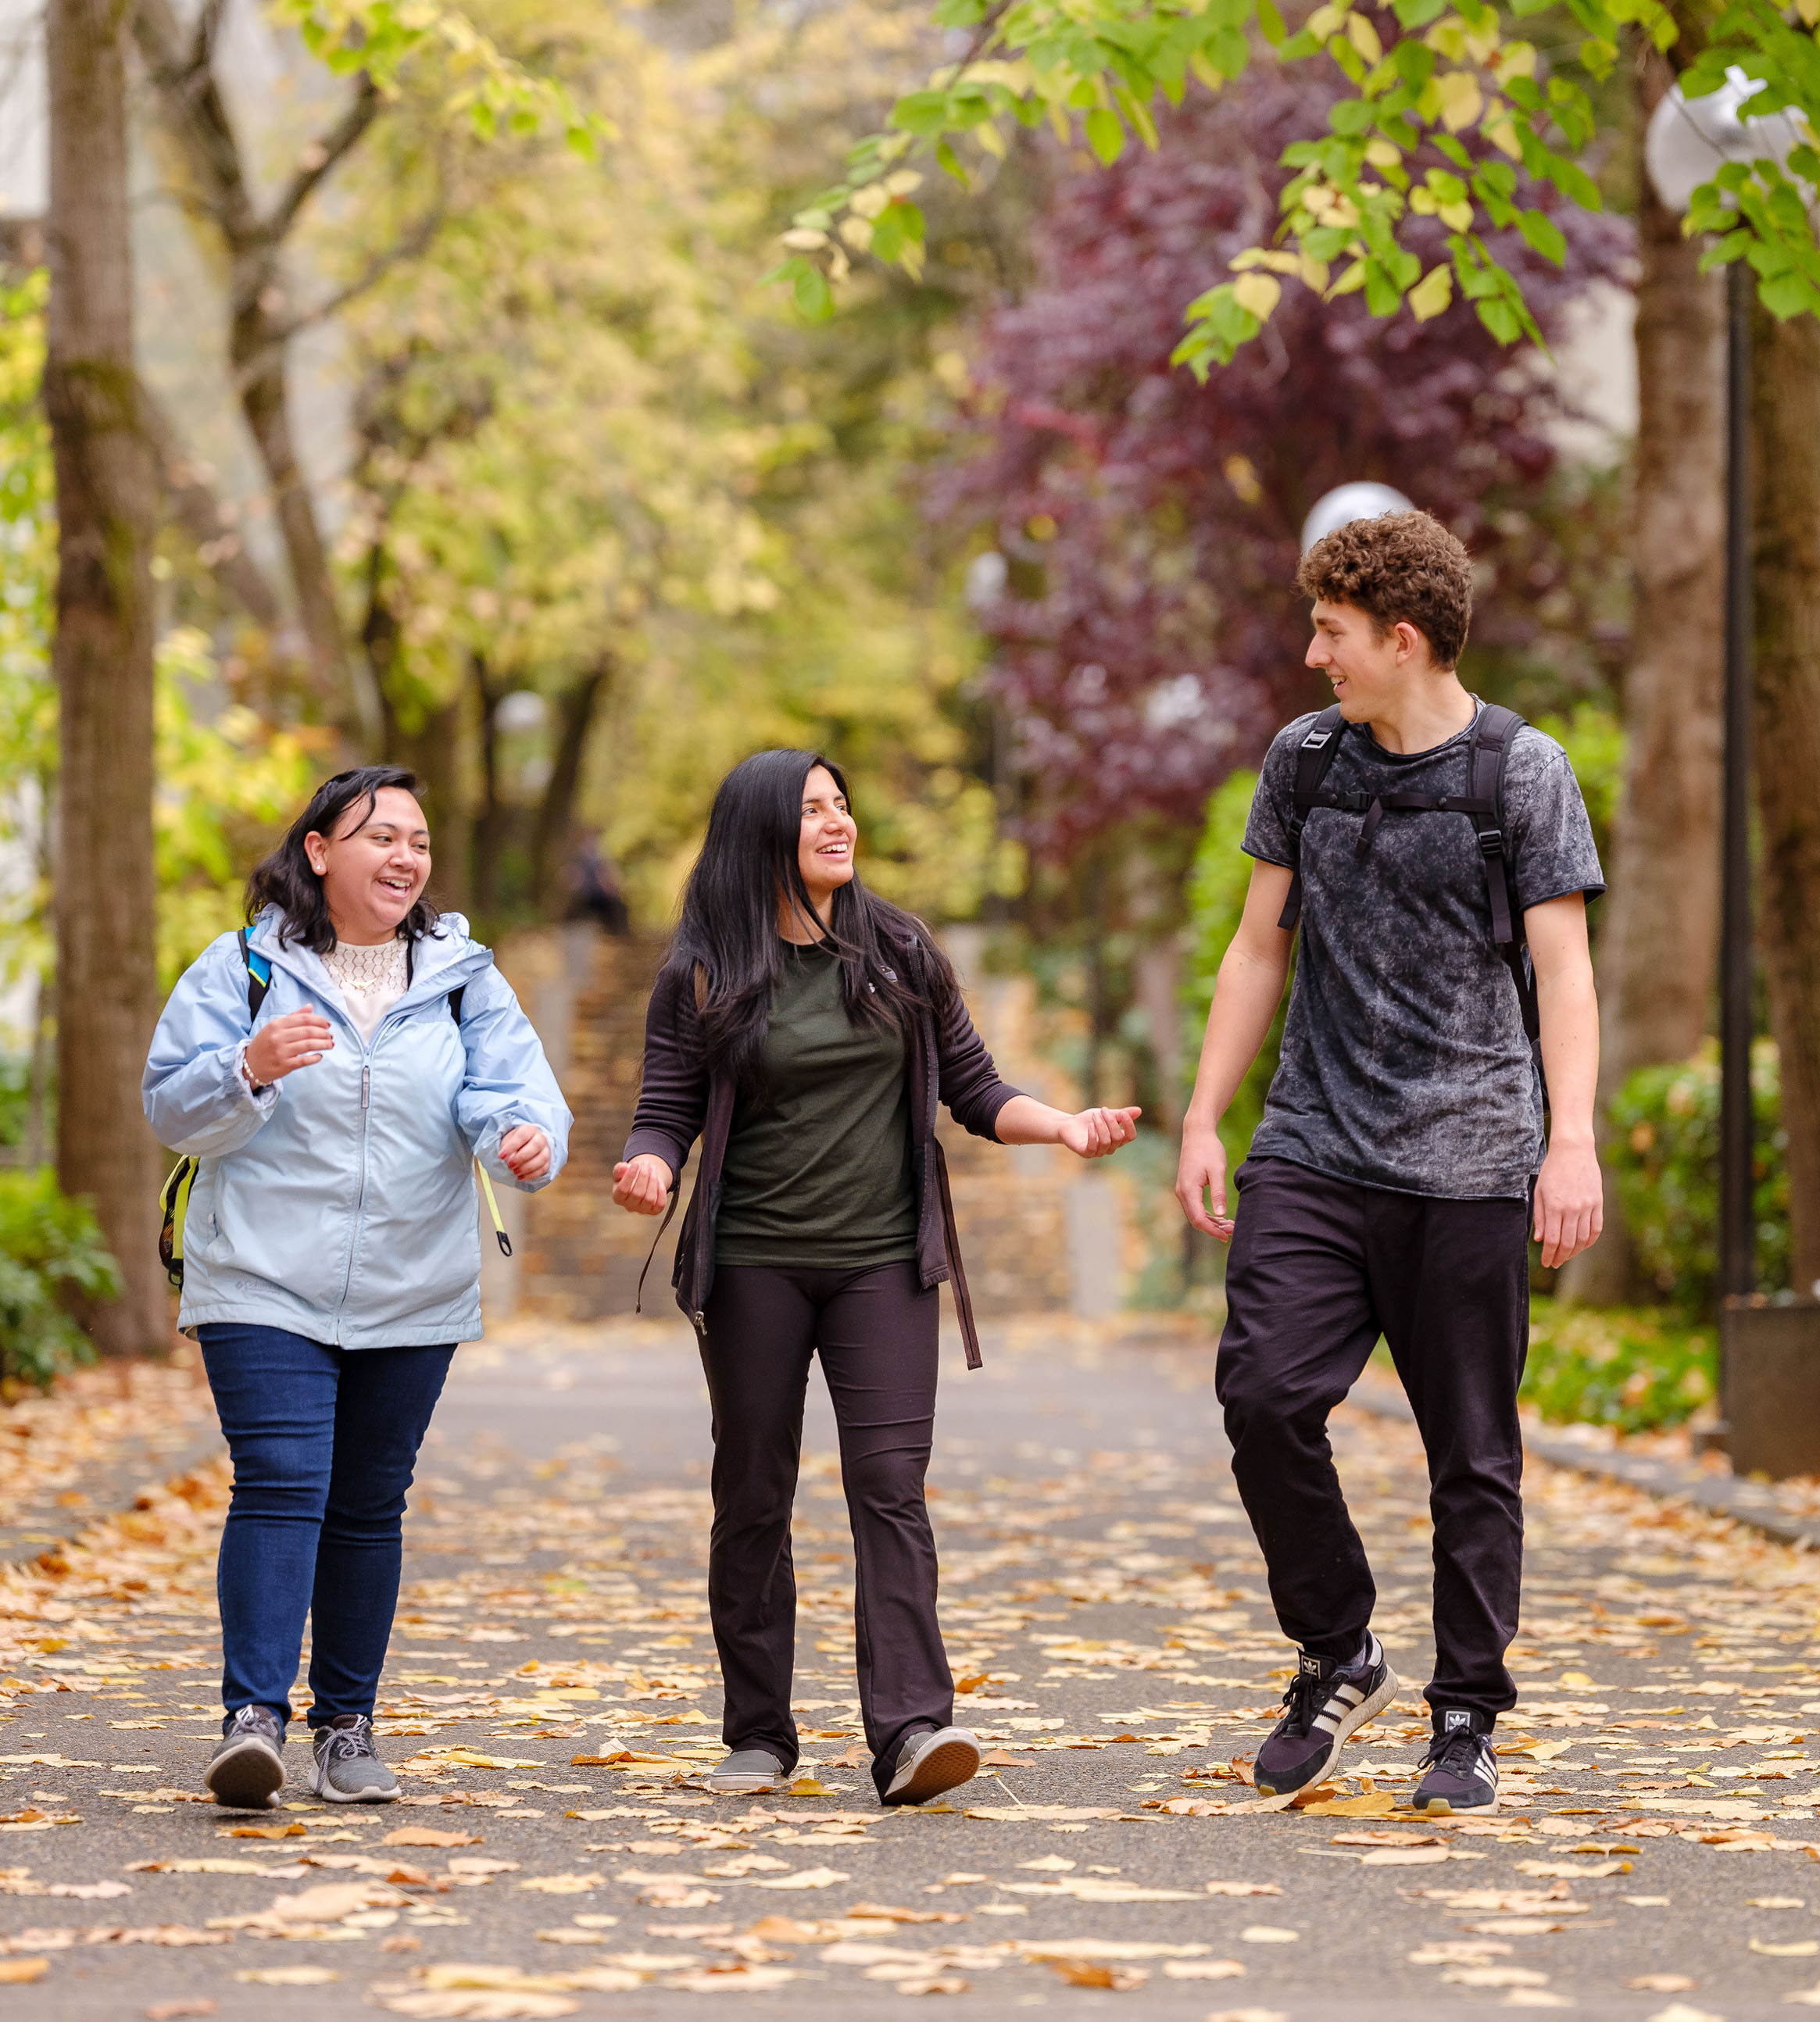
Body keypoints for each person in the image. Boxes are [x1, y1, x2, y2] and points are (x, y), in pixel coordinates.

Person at [1177, 509, 1604, 1814]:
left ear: (1401, 640)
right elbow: (1260, 948)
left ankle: (1465, 1714)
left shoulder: (1520, 776)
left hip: (1471, 1161)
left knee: (1471, 1453)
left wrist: (1568, 1142)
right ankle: (1338, 1646)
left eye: (1332, 632)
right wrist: (1206, 1115)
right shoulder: (1305, 764)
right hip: (1315, 1145)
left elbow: (1564, 971)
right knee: (1260, 1396)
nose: (1315, 655)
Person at [612, 749, 1140, 1807]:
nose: (838, 822)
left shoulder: (898, 948)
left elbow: (977, 1088)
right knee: (753, 1491)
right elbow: (665, 1105)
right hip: (754, 1263)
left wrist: (1065, 1126)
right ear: (762, 830)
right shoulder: (705, 969)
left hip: (886, 1264)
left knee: (890, 1490)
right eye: (813, 810)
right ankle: (758, 1734)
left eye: (843, 804)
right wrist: (651, 1165)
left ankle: (910, 1732)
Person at [144, 766, 573, 1810]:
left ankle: (347, 1726)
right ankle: (252, 1720)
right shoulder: (242, 968)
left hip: (409, 1285)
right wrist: (245, 1066)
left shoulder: (464, 976)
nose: (405, 856)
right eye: (380, 835)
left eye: (418, 841)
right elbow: (171, 1108)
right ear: (318, 851)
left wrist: (524, 1140)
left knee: (369, 1504)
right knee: (284, 1480)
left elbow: (517, 1098)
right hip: (260, 1277)